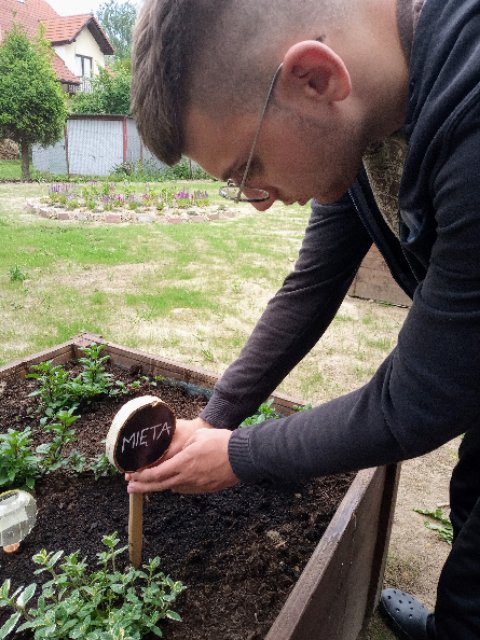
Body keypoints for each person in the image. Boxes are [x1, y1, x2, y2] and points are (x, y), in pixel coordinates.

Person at [126, 1, 480, 638]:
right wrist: (216, 417)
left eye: (248, 169)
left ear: (315, 77)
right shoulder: (358, 121)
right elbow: (310, 287)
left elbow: (419, 401)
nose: (258, 202)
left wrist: (240, 454)